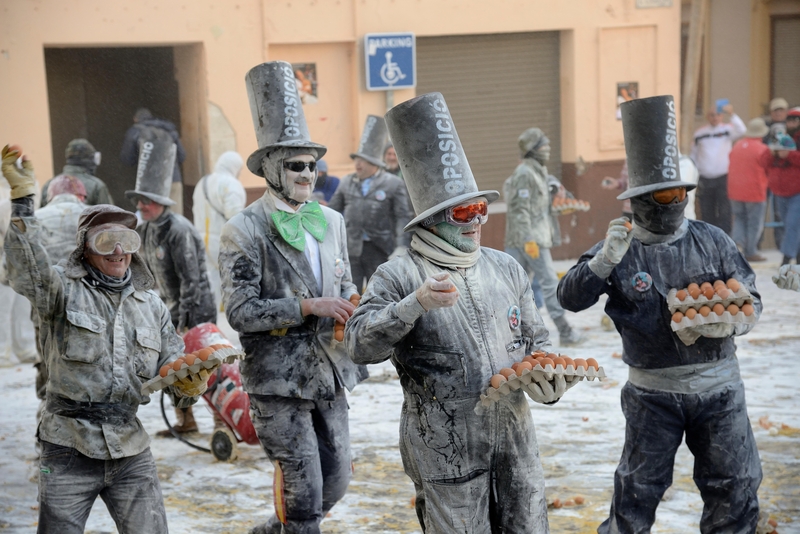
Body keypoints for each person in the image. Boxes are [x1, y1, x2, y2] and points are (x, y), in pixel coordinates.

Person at [346, 93, 578, 533]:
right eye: (464, 211)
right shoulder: (398, 274)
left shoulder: (505, 267)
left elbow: (538, 343)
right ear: (432, 219)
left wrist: (551, 385)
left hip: (515, 445)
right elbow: (359, 343)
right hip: (444, 451)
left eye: (481, 209)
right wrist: (414, 305)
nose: (477, 221)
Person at [558, 95, 763, 533]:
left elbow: (752, 298)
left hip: (720, 390)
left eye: (676, 194)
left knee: (735, 489)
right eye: (659, 195)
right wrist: (601, 264)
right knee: (636, 493)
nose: (669, 203)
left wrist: (735, 318)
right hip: (652, 395)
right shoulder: (619, 244)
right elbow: (570, 298)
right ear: (637, 200)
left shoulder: (713, 240)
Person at [2, 144, 215, 533]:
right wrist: (22, 202)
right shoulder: (61, 291)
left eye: (126, 241)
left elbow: (172, 368)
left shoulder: (151, 304)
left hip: (131, 447)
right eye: (105, 241)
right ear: (84, 248)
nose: (118, 251)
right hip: (67, 446)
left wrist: (190, 383)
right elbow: (24, 270)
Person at [220, 61, 367, 534]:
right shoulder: (243, 228)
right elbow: (241, 312)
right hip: (277, 382)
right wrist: (307, 307)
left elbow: (342, 285)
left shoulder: (333, 222)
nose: (309, 173)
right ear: (269, 169)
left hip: (331, 372)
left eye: (313, 165)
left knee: (337, 483)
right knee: (303, 498)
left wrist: (350, 302)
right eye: (296, 165)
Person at [125, 130, 216, 435]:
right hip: (168, 310)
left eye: (147, 201)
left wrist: (186, 321)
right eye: (139, 201)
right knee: (174, 368)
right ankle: (185, 421)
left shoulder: (178, 230)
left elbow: (192, 279)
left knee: (205, 368)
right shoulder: (148, 229)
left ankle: (221, 421)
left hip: (195, 310)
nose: (141, 205)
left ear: (161, 201)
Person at [504, 128, 583, 346]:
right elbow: (520, 210)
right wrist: (529, 239)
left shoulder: (538, 171)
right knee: (547, 283)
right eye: (542, 146)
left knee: (514, 288)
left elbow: (538, 207)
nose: (547, 150)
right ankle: (565, 331)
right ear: (531, 150)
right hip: (528, 241)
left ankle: (514, 335)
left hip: (532, 238)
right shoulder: (524, 174)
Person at [328, 115, 412, 290]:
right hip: (352, 249)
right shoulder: (346, 182)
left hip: (380, 248)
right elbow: (332, 212)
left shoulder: (392, 183)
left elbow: (402, 216)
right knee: (351, 291)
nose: (358, 164)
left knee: (380, 291)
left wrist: (401, 245)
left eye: (363, 160)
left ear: (374, 163)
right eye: (356, 159)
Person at [31, 174, 88, 399]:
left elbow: (9, 273)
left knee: (50, 367)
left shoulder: (31, 220)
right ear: (82, 196)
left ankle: (49, 423)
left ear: (50, 196)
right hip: (91, 308)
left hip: (44, 308)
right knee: (89, 368)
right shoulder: (96, 216)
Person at [192, 151, 246, 310]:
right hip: (223, 240)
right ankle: (228, 314)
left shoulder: (202, 182)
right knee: (230, 279)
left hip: (201, 239)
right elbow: (235, 216)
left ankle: (211, 314)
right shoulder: (231, 184)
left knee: (211, 280)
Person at [0, 164, 38, 366]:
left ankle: (24, 348)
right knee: (3, 307)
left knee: (23, 305)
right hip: (3, 259)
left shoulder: (30, 193)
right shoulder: (4, 200)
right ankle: (1, 351)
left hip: (24, 259)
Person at [690, 102, 746, 234]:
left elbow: (742, 130)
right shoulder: (700, 133)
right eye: (712, 115)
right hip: (705, 178)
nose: (715, 117)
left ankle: (725, 239)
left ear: (722, 116)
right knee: (706, 210)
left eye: (718, 115)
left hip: (723, 177)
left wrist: (731, 114)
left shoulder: (727, 129)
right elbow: (694, 155)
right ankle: (710, 239)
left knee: (724, 210)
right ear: (707, 117)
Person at [120, 108, 187, 213]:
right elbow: (182, 156)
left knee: (151, 218)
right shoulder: (169, 130)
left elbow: (127, 159)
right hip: (172, 179)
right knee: (175, 217)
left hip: (149, 183)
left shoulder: (135, 131)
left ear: (135, 119)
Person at [727, 118, 771, 263]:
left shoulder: (738, 145)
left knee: (739, 219)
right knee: (754, 223)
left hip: (735, 190)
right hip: (754, 191)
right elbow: (768, 168)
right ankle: (751, 251)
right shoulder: (763, 149)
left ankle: (736, 247)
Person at [40, 139, 113, 208]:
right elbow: (109, 217)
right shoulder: (97, 186)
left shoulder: (49, 185)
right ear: (89, 159)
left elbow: (40, 217)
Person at [763, 134, 800, 266]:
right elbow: (764, 161)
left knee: (792, 226)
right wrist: (772, 152)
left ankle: (786, 259)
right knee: (790, 227)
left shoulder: (795, 157)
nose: (780, 152)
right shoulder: (773, 158)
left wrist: (789, 155)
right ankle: (797, 254)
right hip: (780, 196)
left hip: (797, 195)